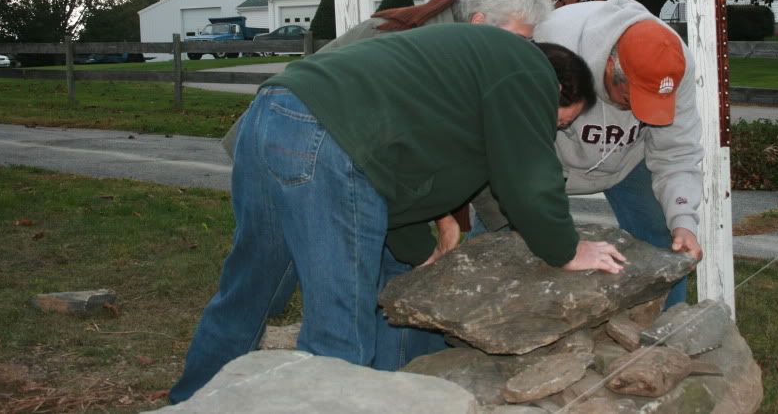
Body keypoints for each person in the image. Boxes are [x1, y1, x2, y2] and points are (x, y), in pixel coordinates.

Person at [169, 24, 626, 403]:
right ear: (559, 88)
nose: (554, 130)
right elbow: (526, 176)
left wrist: (420, 250)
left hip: (270, 114)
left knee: (249, 294)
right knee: (339, 332)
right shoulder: (527, 68)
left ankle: (190, 403)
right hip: (329, 136)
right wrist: (565, 249)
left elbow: (391, 188)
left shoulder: (464, 78)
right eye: (561, 121)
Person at [473, 0, 703, 307]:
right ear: (610, 65)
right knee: (490, 245)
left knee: (666, 243)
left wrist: (683, 220)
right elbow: (510, 138)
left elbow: (677, 152)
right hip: (542, 151)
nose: (642, 113)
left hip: (628, 160)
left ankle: (665, 336)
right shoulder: (551, 43)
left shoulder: (674, 64)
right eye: (631, 98)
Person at [219, 0, 555, 157]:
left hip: (319, 141)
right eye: (521, 40)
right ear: (481, 22)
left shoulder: (460, 42)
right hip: (288, 140)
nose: (526, 51)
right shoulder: (422, 46)